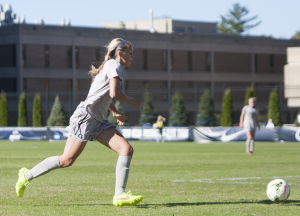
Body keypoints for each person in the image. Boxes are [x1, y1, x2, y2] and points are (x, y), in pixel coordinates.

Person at [15, 38, 143, 207]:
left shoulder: (110, 65)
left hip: (98, 121)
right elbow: (114, 93)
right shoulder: (114, 65)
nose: (133, 56)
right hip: (87, 118)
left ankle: (119, 195)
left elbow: (102, 94)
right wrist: (134, 102)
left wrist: (114, 112)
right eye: (131, 52)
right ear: (120, 53)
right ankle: (26, 176)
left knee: (126, 149)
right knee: (66, 160)